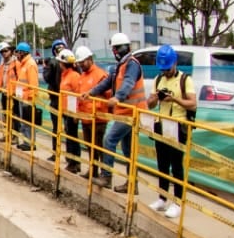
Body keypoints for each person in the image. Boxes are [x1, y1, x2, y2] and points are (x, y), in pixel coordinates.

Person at [87, 32, 145, 186]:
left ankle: (106, 177)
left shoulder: (132, 64)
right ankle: (132, 185)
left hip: (131, 112)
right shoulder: (120, 66)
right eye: (115, 48)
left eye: (118, 48)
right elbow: (108, 82)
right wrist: (91, 92)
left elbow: (128, 83)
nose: (116, 51)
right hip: (125, 113)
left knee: (109, 140)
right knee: (128, 151)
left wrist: (118, 97)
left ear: (127, 47)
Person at [145, 44, 196, 219]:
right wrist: (154, 98)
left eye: (168, 68)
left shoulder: (185, 80)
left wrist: (174, 98)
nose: (165, 72)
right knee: (162, 165)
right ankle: (162, 197)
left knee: (177, 167)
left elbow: (193, 103)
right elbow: (150, 104)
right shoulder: (158, 80)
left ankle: (177, 202)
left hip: (177, 127)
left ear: (174, 64)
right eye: (163, 69)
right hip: (162, 126)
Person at [59, 45, 103, 175]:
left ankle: (103, 173)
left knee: (99, 147)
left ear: (90, 59)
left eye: (83, 62)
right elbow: (78, 96)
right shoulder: (82, 76)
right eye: (80, 62)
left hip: (97, 117)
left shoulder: (99, 75)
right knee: (89, 146)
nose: (81, 65)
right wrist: (77, 112)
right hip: (84, 116)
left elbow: (106, 95)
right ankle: (93, 170)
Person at [9, 43, 39, 150]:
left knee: (28, 122)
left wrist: (29, 99)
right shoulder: (23, 64)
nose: (16, 55)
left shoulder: (30, 64)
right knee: (24, 122)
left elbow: (33, 84)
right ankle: (26, 142)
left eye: (18, 52)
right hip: (22, 97)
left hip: (28, 99)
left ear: (22, 52)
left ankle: (30, 143)